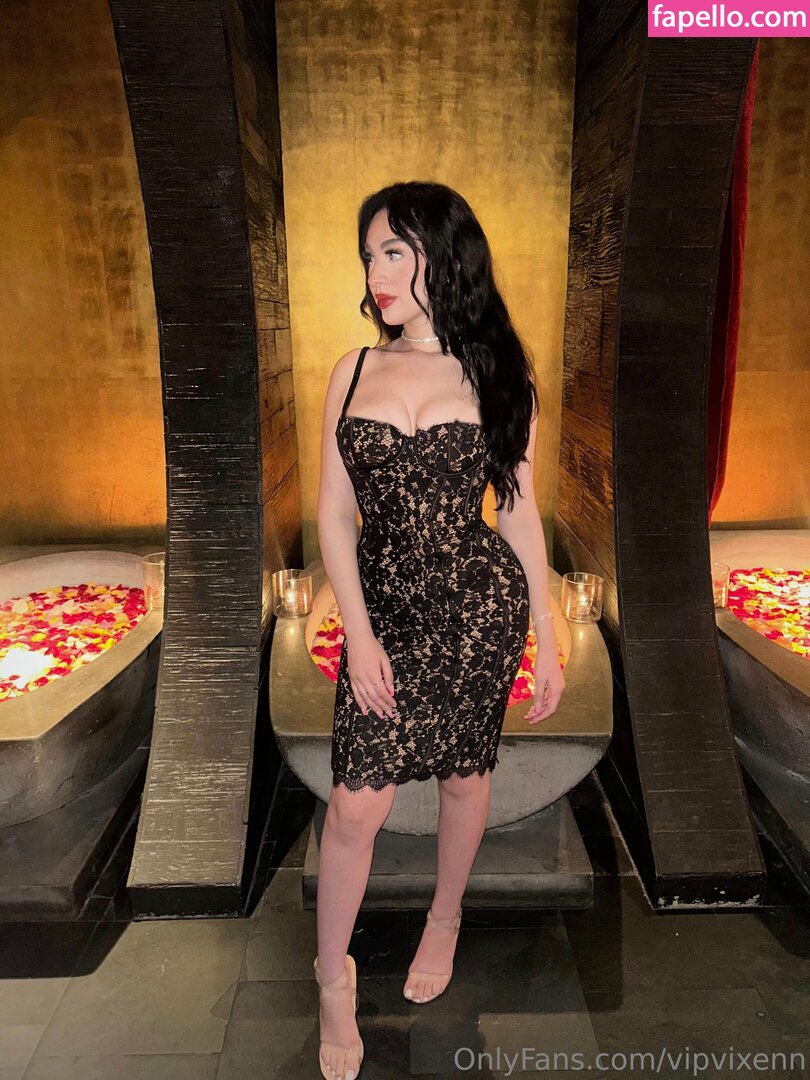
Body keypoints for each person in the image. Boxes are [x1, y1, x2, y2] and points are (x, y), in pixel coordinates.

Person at [313, 181, 565, 1080]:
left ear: (443, 254)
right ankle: (332, 982)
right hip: (383, 612)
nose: (376, 273)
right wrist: (359, 634)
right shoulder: (351, 370)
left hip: (475, 609)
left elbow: (519, 513)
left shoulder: (499, 371)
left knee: (465, 775)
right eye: (369, 255)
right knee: (355, 804)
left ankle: (445, 919)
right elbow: (333, 514)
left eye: (394, 251)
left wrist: (545, 634)